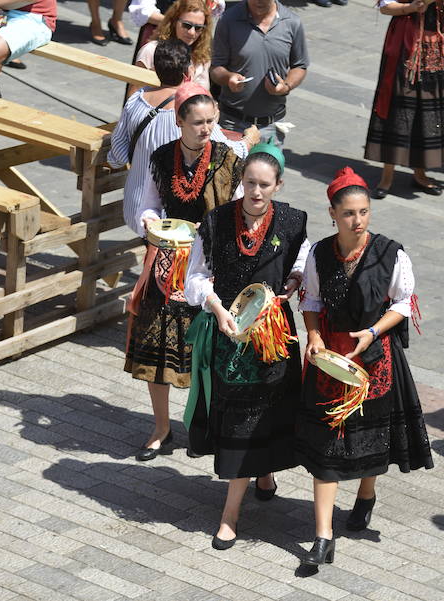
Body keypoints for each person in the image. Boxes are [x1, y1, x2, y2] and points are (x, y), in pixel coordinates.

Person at [295, 167, 434, 569]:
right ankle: (323, 537)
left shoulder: (391, 253)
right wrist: (314, 336)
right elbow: (312, 302)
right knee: (327, 449)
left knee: (371, 440)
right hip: (331, 361)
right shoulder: (319, 253)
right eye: (349, 213)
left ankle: (366, 492)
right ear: (332, 215)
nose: (357, 221)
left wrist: (372, 332)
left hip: (374, 359)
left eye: (364, 212)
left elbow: (403, 303)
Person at [183, 144, 308, 550]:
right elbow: (196, 277)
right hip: (231, 334)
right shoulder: (218, 221)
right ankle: (230, 515)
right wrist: (218, 309)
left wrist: (290, 286)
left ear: (278, 185)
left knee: (272, 409)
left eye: (264, 185)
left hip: (273, 335)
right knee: (239, 420)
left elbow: (301, 267)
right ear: (242, 182)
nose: (256, 191)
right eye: (250, 183)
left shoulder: (292, 221)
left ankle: (265, 471)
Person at [124, 82, 246, 462]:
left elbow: (241, 213)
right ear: (179, 122)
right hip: (167, 263)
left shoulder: (229, 160)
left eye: (211, 121)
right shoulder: (162, 157)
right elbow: (149, 203)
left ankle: (205, 426)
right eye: (197, 122)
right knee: (156, 349)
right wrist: (151, 224)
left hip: (210, 266)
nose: (206, 129)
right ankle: (161, 428)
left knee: (208, 352)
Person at [107, 39, 257, 238]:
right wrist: (250, 140)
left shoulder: (136, 99)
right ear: (188, 71)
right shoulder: (191, 113)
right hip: (172, 218)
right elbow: (228, 154)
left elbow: (116, 157)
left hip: (135, 209)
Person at [364, 0, 444, 198]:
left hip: (440, 44)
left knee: (428, 109)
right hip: (406, 44)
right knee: (398, 108)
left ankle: (420, 172)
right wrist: (413, 7)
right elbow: (385, 7)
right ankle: (387, 176)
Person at [210, 0, 309, 146]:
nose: (258, 2)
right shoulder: (229, 20)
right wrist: (228, 78)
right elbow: (216, 68)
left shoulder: (292, 22)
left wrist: (285, 86)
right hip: (233, 123)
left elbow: (300, 65)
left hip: (272, 125)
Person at [129, 0, 212, 97]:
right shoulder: (151, 50)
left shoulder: (202, 56)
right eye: (186, 25)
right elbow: (133, 95)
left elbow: (205, 92)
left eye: (198, 28)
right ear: (174, 22)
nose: (192, 32)